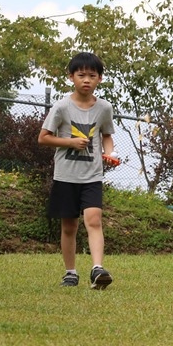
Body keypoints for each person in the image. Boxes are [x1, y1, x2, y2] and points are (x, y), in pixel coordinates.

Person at [38, 52, 118, 290]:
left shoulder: (104, 108)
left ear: (100, 79)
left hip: (92, 176)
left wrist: (110, 154)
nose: (86, 80)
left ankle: (97, 269)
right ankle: (70, 272)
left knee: (94, 220)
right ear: (71, 77)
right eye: (81, 75)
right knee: (69, 226)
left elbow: (107, 136)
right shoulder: (62, 107)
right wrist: (71, 143)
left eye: (92, 76)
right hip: (65, 176)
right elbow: (43, 138)